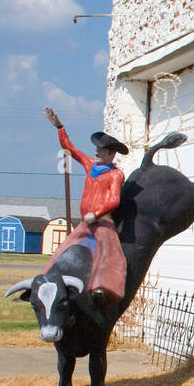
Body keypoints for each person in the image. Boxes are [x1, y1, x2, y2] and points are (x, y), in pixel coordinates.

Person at [45, 107, 129, 302]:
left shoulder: (116, 174)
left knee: (108, 254)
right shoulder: (90, 165)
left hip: (102, 223)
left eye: (100, 149)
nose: (96, 152)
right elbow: (70, 149)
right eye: (97, 149)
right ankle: (49, 281)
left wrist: (97, 214)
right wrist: (59, 127)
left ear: (110, 153)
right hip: (86, 223)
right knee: (66, 248)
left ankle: (102, 289)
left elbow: (114, 199)